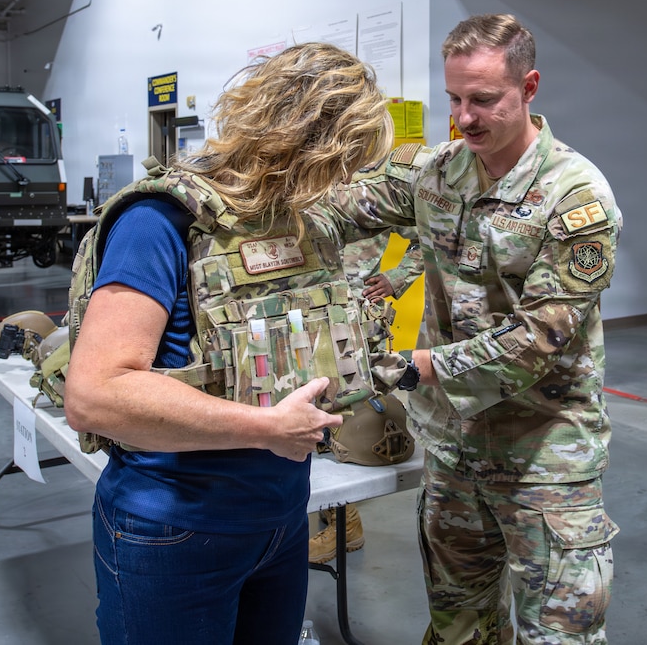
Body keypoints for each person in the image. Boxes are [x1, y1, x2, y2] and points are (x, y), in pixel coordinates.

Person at [64, 42, 398, 645]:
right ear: (300, 142)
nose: (345, 180)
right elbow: (95, 395)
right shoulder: (160, 222)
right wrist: (268, 429)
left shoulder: (298, 220)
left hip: (279, 521)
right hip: (173, 529)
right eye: (341, 161)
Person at [313, 14, 622, 644]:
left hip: (545, 455)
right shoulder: (437, 173)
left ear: (529, 87)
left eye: (483, 100)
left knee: (560, 636)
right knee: (459, 627)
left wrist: (420, 367)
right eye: (454, 98)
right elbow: (337, 209)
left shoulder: (574, 195)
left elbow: (538, 339)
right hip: (454, 448)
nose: (464, 117)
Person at [309, 221, 423, 564]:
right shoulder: (296, 177)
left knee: (341, 420)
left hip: (349, 320)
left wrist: (396, 276)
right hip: (299, 308)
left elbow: (430, 233)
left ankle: (344, 525)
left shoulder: (372, 181)